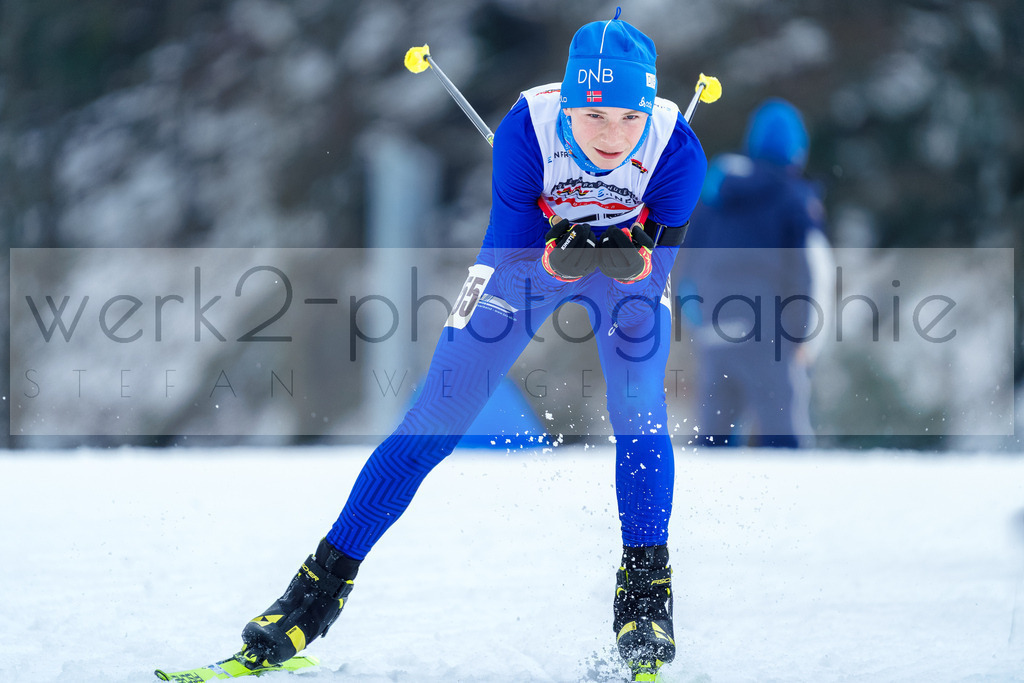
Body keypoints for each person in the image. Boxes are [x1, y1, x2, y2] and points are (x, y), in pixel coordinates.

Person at [238, 10, 706, 681]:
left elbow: (654, 269)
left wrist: (621, 254)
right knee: (434, 418)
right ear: (570, 103)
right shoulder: (525, 131)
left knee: (638, 408)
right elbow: (513, 252)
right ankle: (314, 592)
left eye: (630, 118)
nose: (614, 136)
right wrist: (557, 261)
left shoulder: (678, 149)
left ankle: (645, 595)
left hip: (622, 281)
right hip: (527, 264)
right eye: (596, 116)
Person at [678, 98, 832, 448]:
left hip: (713, 327)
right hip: (765, 332)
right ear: (797, 150)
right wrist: (803, 335)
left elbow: (685, 262)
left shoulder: (714, 195)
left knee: (713, 437)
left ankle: (705, 502)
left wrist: (697, 318)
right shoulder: (794, 198)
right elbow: (809, 271)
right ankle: (794, 503)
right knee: (783, 430)